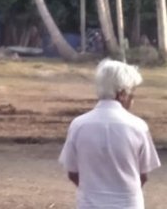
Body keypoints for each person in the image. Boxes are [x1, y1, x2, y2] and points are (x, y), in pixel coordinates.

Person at [59, 59, 161, 209]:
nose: (133, 99)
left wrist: (94, 193)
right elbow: (143, 175)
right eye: (132, 93)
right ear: (122, 94)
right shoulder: (138, 127)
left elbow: (73, 173)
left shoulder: (78, 125)